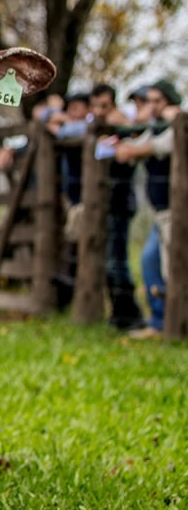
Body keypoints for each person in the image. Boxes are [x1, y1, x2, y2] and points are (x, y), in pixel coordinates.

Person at [114, 81, 183, 338]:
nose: (151, 106)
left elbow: (159, 146)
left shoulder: (177, 125)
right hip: (160, 214)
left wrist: (133, 149)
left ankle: (174, 324)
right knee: (150, 261)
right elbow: (138, 143)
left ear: (171, 102)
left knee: (171, 267)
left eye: (158, 101)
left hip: (177, 213)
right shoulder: (156, 127)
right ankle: (158, 321)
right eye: (149, 101)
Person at [89, 84, 145, 331]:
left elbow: (135, 136)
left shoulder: (124, 127)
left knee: (117, 260)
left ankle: (130, 315)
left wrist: (119, 124)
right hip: (103, 204)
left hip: (121, 202)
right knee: (108, 259)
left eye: (105, 106)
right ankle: (118, 314)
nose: (100, 111)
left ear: (114, 104)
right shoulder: (96, 127)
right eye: (96, 106)